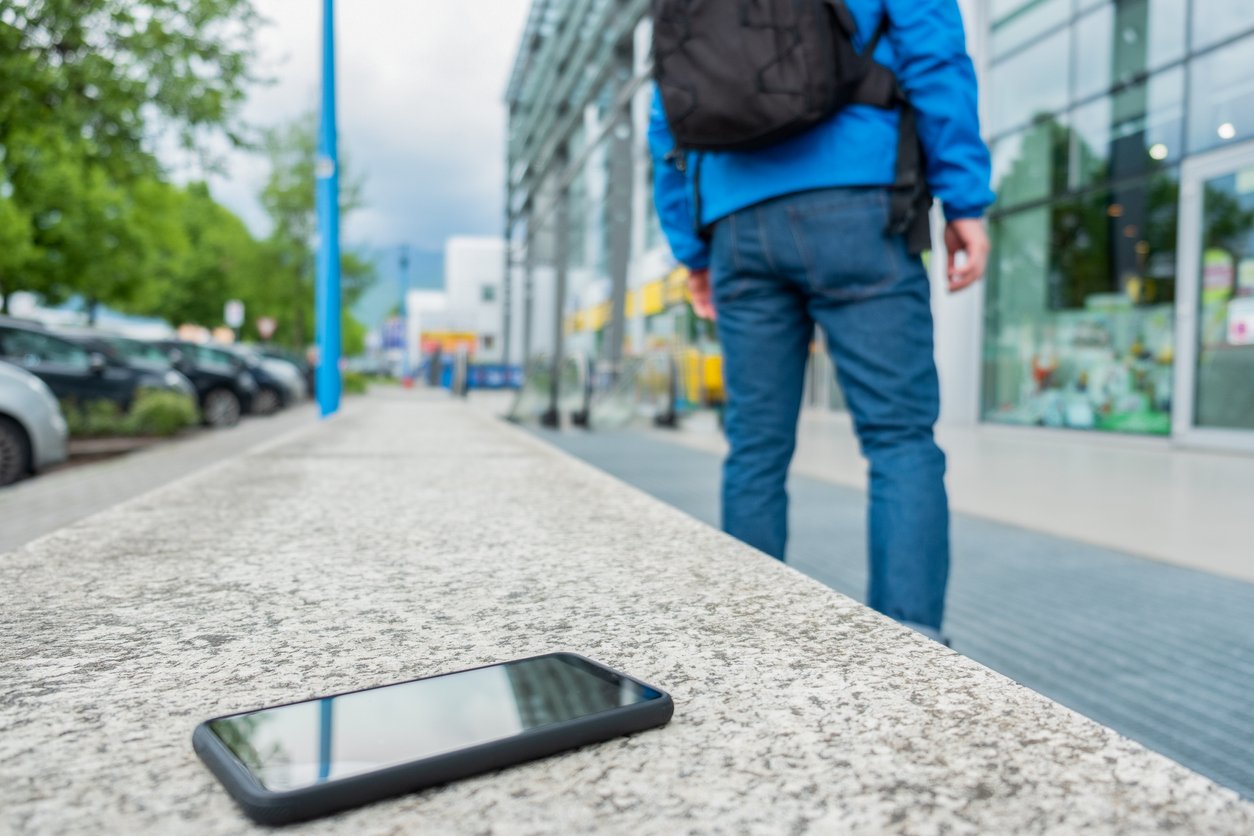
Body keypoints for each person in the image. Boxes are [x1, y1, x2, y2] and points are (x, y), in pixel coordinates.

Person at [648, 0, 993, 641]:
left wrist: (691, 248)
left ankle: (748, 639)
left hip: (735, 221)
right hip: (856, 199)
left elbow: (666, 111)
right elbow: (934, 56)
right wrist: (965, 197)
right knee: (899, 440)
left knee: (754, 447)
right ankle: (907, 643)